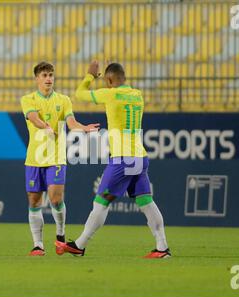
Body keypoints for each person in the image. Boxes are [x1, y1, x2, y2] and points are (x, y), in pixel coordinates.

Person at [55, 61, 171, 259]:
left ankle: (80, 245)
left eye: (106, 82)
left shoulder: (111, 94)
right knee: (146, 201)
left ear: (109, 80)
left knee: (101, 202)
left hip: (122, 158)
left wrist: (90, 77)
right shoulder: (137, 95)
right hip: (139, 157)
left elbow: (80, 94)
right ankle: (162, 247)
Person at [21, 61, 99, 256]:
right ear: (37, 79)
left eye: (51, 75)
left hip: (56, 157)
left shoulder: (63, 100)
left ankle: (60, 234)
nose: (48, 79)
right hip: (34, 158)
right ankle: (38, 244)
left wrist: (83, 128)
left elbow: (71, 122)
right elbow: (32, 117)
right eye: (44, 75)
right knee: (34, 201)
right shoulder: (28, 99)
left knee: (56, 198)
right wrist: (44, 126)